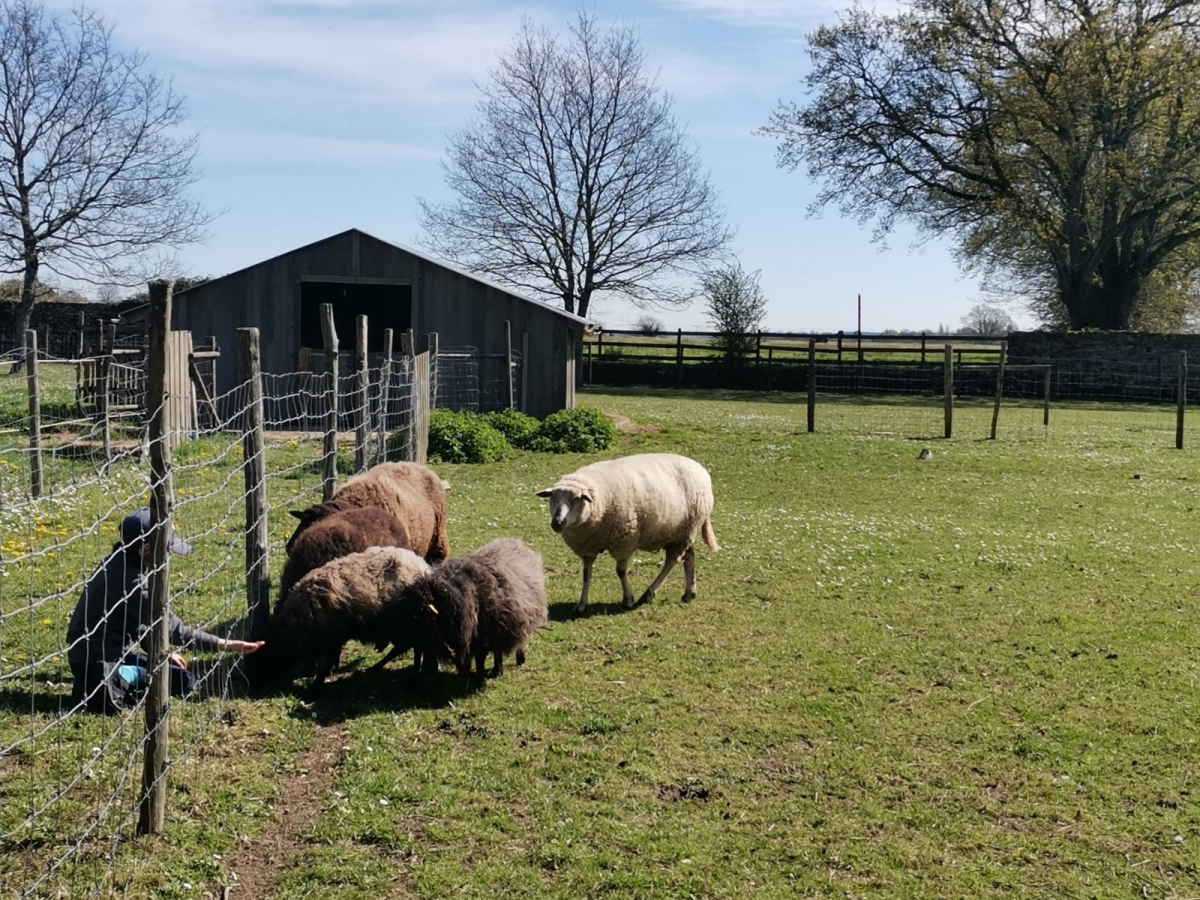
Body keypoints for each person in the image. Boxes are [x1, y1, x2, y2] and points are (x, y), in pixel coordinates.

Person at [66, 509, 264, 714]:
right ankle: (111, 683)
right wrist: (226, 644)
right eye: (167, 548)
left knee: (178, 673)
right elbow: (174, 630)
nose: (169, 554)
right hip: (101, 663)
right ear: (146, 549)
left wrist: (162, 652)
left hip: (94, 656)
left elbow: (135, 624)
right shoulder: (134, 584)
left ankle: (109, 681)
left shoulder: (116, 562)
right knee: (184, 681)